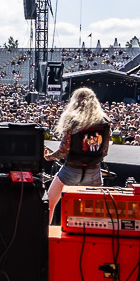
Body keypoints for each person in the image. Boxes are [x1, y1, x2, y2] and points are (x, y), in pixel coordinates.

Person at [46, 87, 111, 218]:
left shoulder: (72, 120)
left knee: (49, 203)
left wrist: (50, 157)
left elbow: (64, 150)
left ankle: (44, 235)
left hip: (71, 170)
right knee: (95, 212)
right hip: (94, 170)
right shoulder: (104, 121)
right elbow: (104, 151)